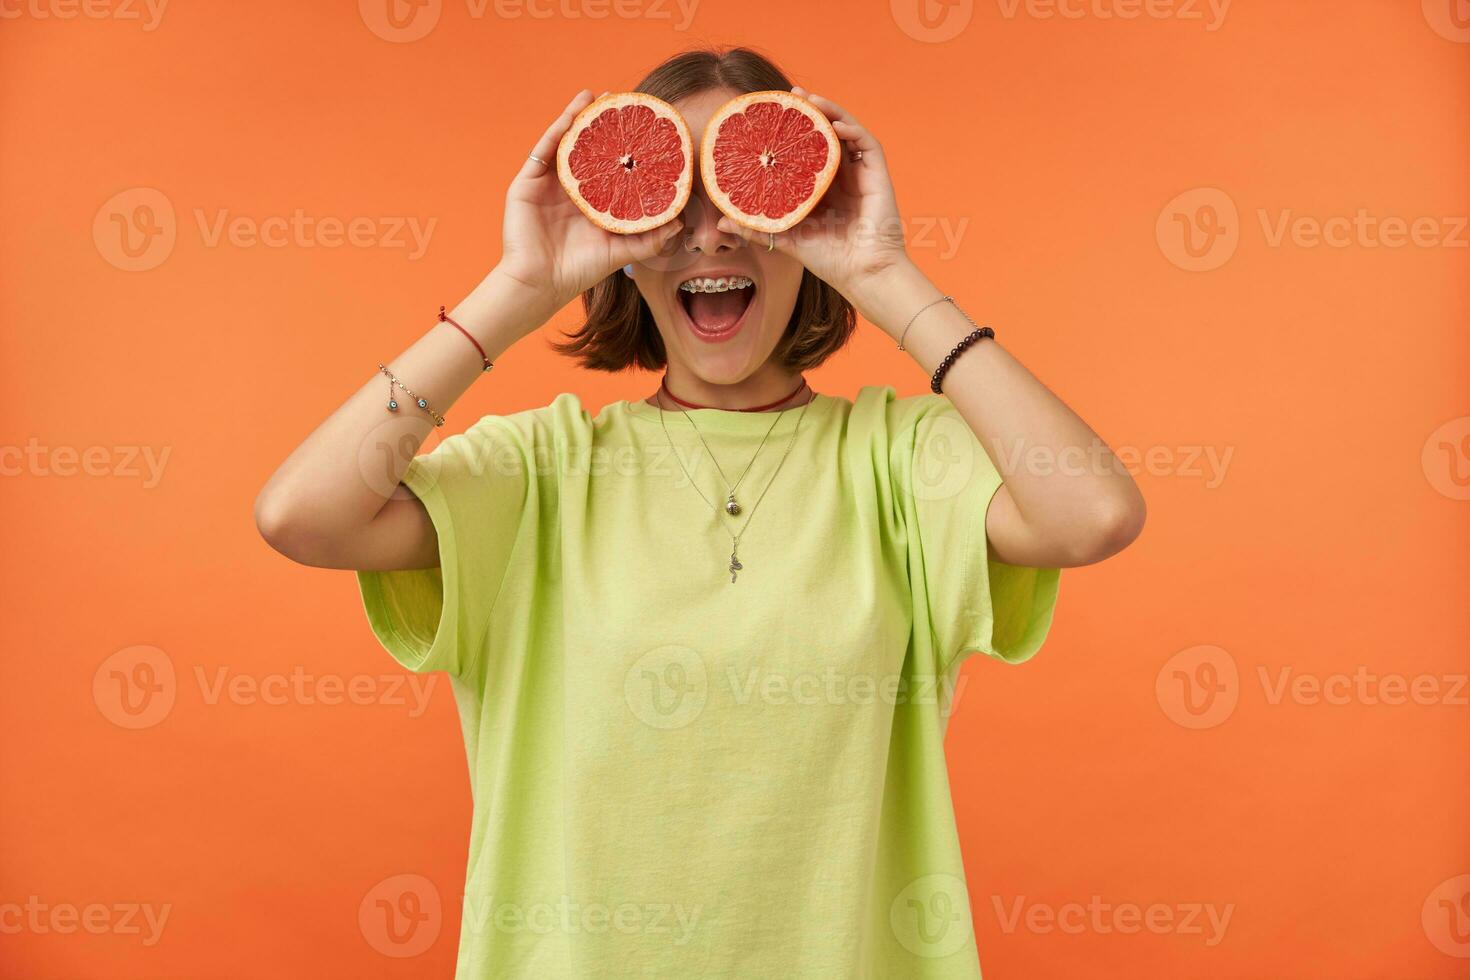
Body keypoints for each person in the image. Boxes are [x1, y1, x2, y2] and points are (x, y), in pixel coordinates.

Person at [255, 45, 1145, 980]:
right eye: (669, 197)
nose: (710, 234)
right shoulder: (541, 470)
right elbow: (303, 515)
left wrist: (882, 273)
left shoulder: (898, 461)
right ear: (623, 237)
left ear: (800, 220)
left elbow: (1092, 514)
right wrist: (515, 292)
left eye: (748, 189)